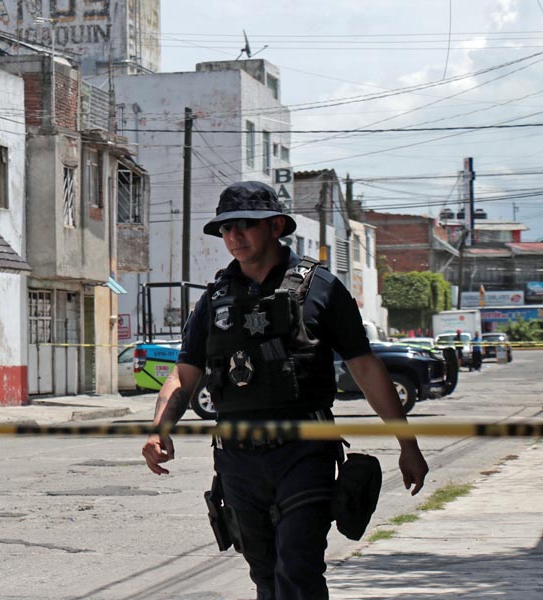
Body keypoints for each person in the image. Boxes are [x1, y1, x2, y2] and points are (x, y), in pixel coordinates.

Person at [141, 181, 428, 600]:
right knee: (266, 574)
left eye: (245, 225)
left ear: (276, 226)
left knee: (298, 566)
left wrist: (408, 443)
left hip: (304, 451)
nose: (234, 237)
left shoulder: (321, 288)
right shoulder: (214, 299)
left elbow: (364, 367)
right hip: (238, 460)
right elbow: (185, 374)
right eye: (225, 229)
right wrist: (158, 429)